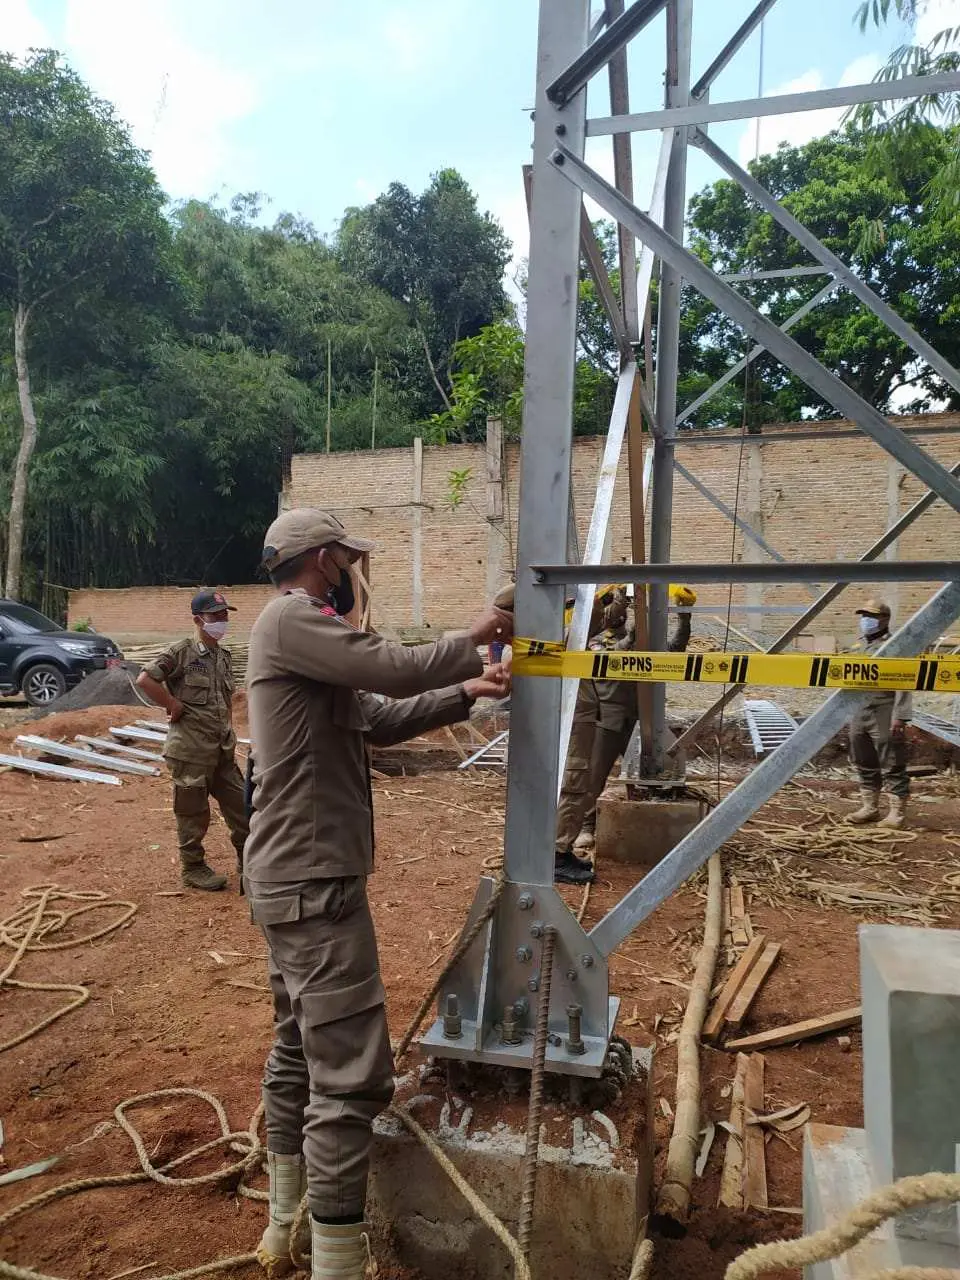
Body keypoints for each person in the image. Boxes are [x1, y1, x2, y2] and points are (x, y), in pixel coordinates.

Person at [244, 509, 511, 1280]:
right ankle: (335, 1261)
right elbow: (393, 667)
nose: (356, 576)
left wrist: (470, 690)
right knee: (353, 1073)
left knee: (298, 1044)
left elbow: (381, 717)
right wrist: (480, 628)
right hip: (313, 882)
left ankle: (283, 1226)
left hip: (290, 875)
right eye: (349, 563)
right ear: (326, 560)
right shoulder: (295, 619)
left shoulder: (302, 643)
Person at [554, 584, 698, 877]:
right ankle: (584, 828)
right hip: (607, 721)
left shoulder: (635, 638)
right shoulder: (594, 641)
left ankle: (640, 822)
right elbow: (616, 656)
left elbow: (675, 650)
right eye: (617, 607)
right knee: (590, 782)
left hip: (640, 719)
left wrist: (684, 616)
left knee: (653, 773)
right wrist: (638, 620)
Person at [137, 590, 248, 891]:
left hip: (222, 749)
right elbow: (146, 679)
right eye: (216, 616)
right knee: (193, 813)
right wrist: (171, 705)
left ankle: (249, 860)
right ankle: (193, 868)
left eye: (225, 615)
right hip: (190, 750)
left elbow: (223, 703)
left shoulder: (223, 657)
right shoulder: (181, 652)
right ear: (198, 619)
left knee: (242, 806)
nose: (222, 621)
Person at [847, 598, 912, 830]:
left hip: (884, 708)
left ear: (884, 619)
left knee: (891, 760)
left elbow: (905, 682)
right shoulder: (856, 646)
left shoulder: (895, 646)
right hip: (858, 710)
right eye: (863, 616)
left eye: (871, 616)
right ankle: (870, 808)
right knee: (863, 759)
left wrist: (901, 716)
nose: (866, 621)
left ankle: (896, 813)